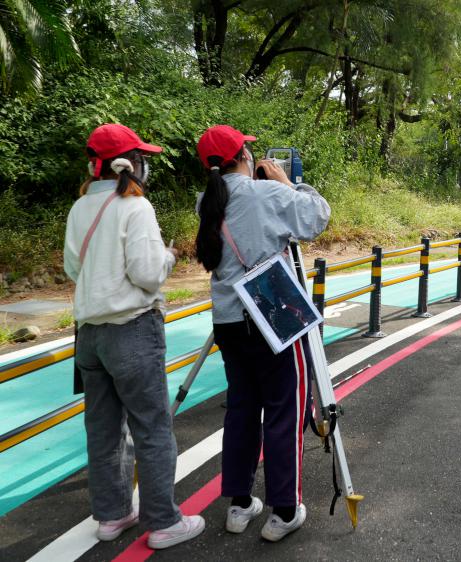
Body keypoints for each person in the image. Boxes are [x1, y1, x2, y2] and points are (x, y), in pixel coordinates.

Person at [64, 124, 205, 549]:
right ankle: (163, 522)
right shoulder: (135, 207)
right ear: (132, 164)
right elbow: (145, 274)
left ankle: (112, 515)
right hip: (132, 330)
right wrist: (168, 257)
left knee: (103, 431)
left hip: (89, 336)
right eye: (143, 158)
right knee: (152, 428)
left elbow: (73, 269)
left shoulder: (79, 208)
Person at [194, 125, 331, 542]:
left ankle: (239, 505)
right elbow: (317, 217)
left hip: (228, 322)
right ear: (243, 156)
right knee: (284, 411)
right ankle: (284, 511)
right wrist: (288, 182)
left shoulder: (205, 202)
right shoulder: (267, 193)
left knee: (241, 409)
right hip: (272, 316)